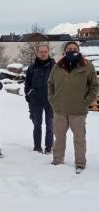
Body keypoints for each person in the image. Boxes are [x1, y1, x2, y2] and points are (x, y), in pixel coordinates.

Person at [48, 41, 99, 174]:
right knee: (59, 137)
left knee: (79, 138)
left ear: (79, 50)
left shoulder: (88, 66)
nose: (72, 50)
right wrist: (53, 100)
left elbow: (94, 87)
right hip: (60, 109)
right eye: (69, 49)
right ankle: (57, 160)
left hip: (78, 110)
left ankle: (80, 163)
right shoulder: (58, 66)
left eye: (75, 48)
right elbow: (50, 84)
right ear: (65, 51)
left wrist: (86, 102)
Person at [24, 45, 55, 154]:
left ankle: (48, 146)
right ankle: (37, 146)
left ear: (48, 52)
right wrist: (28, 95)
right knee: (37, 124)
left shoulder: (54, 66)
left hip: (50, 101)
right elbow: (27, 82)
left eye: (45, 51)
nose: (43, 54)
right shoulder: (32, 67)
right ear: (38, 53)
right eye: (41, 52)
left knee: (50, 124)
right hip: (35, 101)